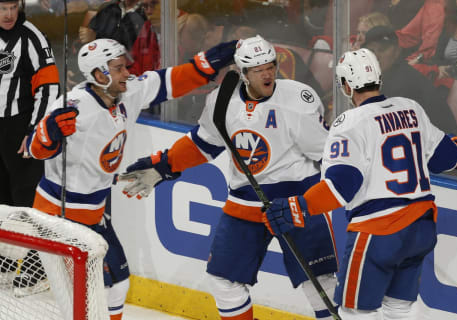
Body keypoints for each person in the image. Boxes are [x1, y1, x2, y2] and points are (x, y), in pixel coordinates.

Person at [118, 35, 339, 320]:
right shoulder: (223, 99)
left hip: (296, 202)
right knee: (223, 280)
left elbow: (328, 154)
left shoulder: (298, 99)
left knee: (320, 281)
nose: (268, 73)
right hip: (246, 202)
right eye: (258, 69)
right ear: (243, 73)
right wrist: (164, 165)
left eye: (270, 65)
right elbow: (204, 143)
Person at [26, 38, 238, 320]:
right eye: (119, 68)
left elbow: (168, 82)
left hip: (94, 214)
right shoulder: (73, 107)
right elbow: (34, 149)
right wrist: (49, 133)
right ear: (100, 75)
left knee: (117, 284)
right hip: (58, 216)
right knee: (85, 295)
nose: (128, 72)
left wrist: (204, 66)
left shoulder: (126, 92)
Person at [262, 48, 457, 319]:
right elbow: (449, 157)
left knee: (355, 312)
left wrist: (297, 207)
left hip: (379, 233)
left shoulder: (350, 123)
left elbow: (342, 186)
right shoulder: (410, 109)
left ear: (346, 86)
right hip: (420, 228)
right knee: (399, 308)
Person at [0, 0, 60, 295]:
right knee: (2, 198)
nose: (8, 14)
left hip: (20, 129)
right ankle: (7, 261)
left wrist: (34, 129)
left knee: (29, 201)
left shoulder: (31, 36)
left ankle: (39, 268)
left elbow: (49, 87)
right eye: (1, 7)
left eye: (12, 7)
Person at [363, 25, 457, 134]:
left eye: (382, 50)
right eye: (371, 50)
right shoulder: (379, 78)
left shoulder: (405, 82)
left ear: (397, 52)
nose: (376, 56)